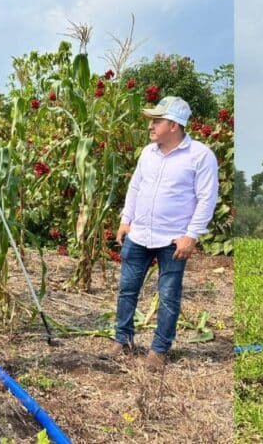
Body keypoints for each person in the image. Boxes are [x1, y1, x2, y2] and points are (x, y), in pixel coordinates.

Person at [104, 96, 219, 371]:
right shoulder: (148, 153)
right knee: (127, 290)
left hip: (173, 239)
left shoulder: (200, 156)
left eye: (157, 121)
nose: (151, 126)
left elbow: (207, 199)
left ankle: (159, 350)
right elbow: (135, 187)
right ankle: (123, 340)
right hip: (139, 235)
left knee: (168, 295)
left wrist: (191, 235)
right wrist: (125, 220)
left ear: (174, 125)